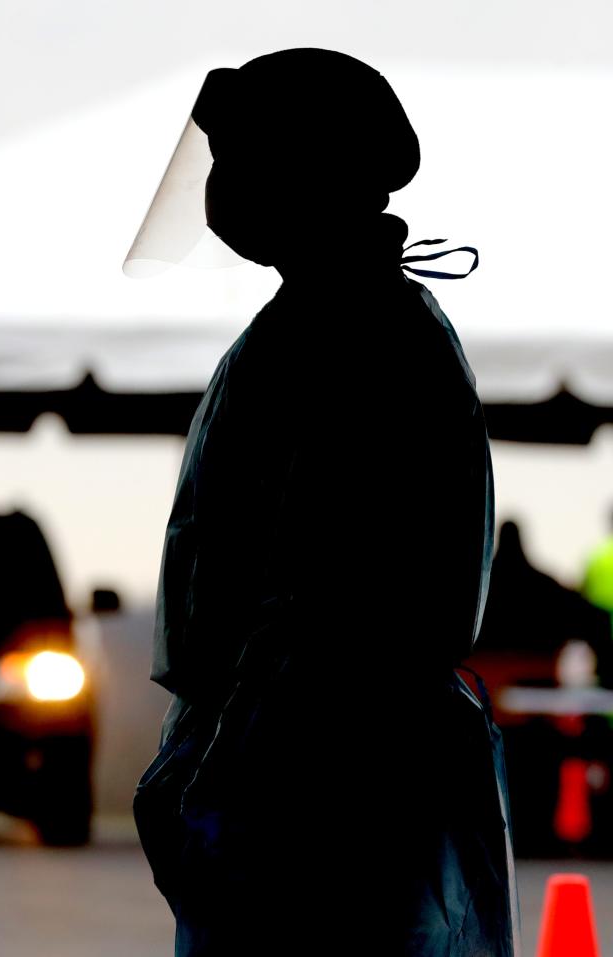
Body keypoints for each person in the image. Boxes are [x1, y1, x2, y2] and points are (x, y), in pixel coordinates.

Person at [125, 48, 519, 955]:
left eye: (239, 162)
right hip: (313, 770)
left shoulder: (354, 337)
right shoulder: (330, 322)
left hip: (323, 783)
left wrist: (217, 768)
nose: (220, 191)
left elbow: (320, 600)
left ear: (298, 173)